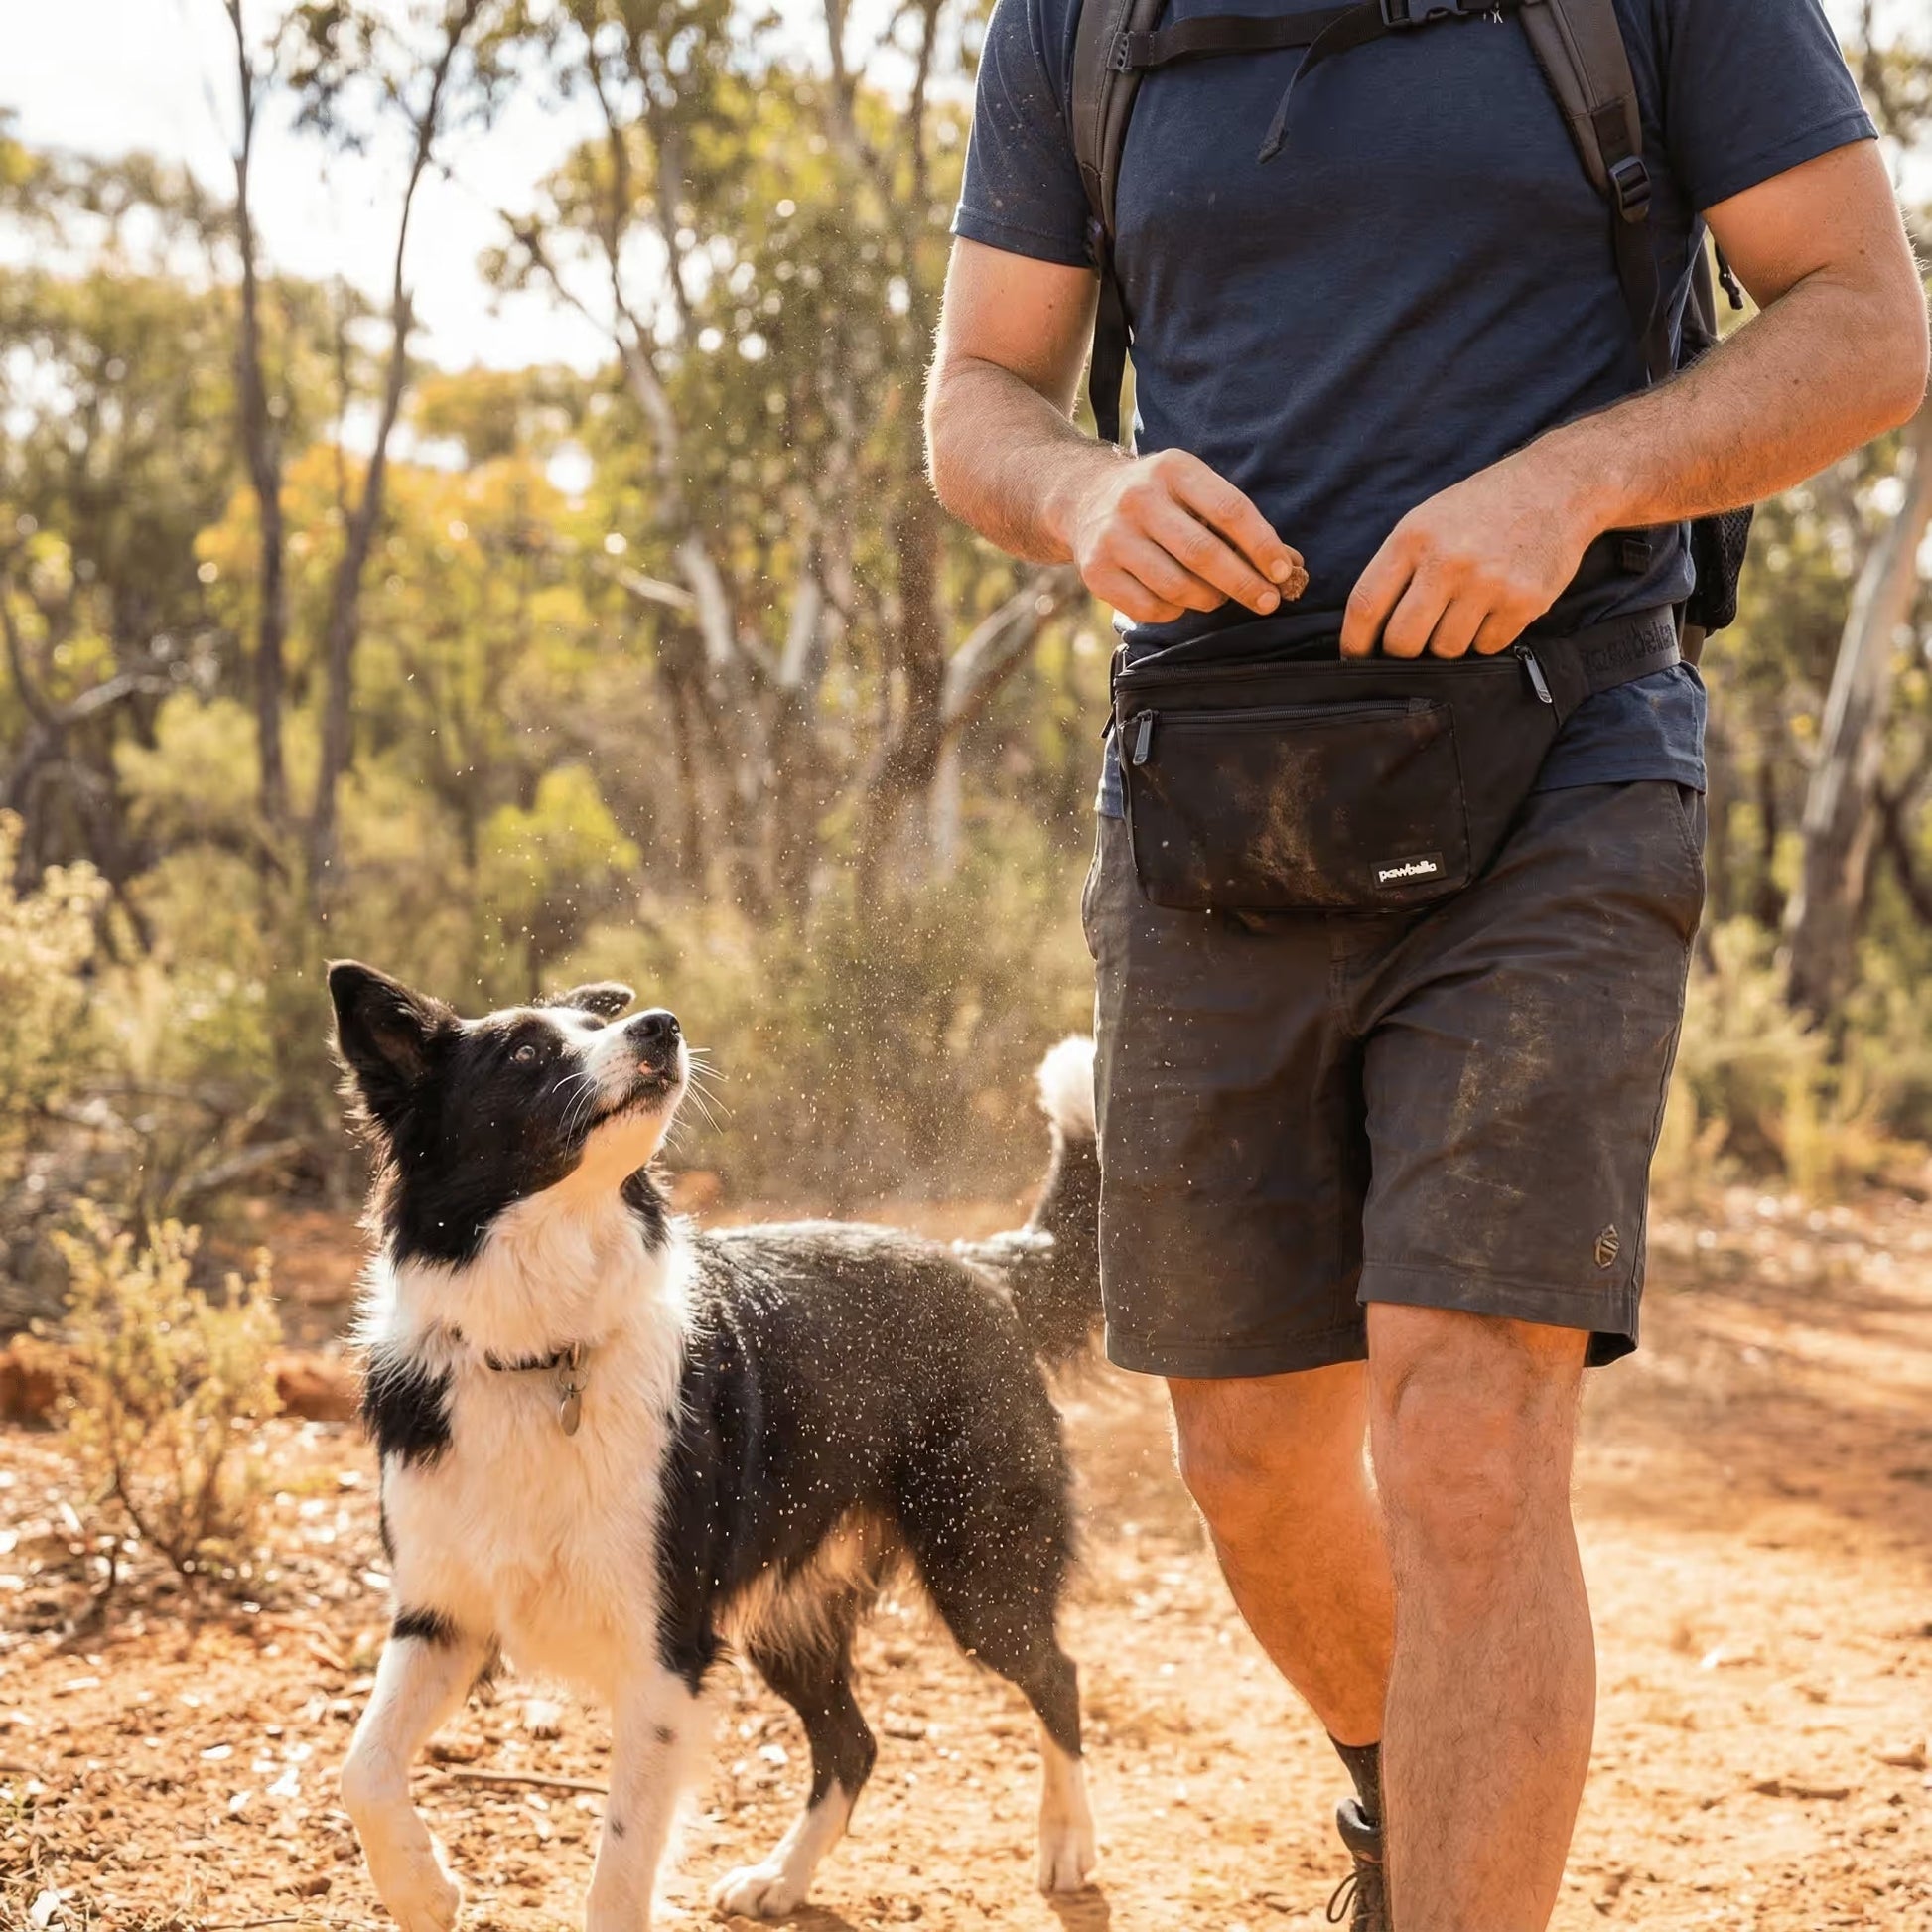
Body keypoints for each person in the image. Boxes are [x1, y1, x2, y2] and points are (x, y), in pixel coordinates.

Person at [922, 0, 1928, 1924]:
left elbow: (1865, 321)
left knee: (1466, 1424)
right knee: (1248, 1456)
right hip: (1214, 783)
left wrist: (1577, 484)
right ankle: (1412, 1782)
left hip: (1561, 753)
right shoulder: (1076, 18)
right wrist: (1082, 495)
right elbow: (980, 390)